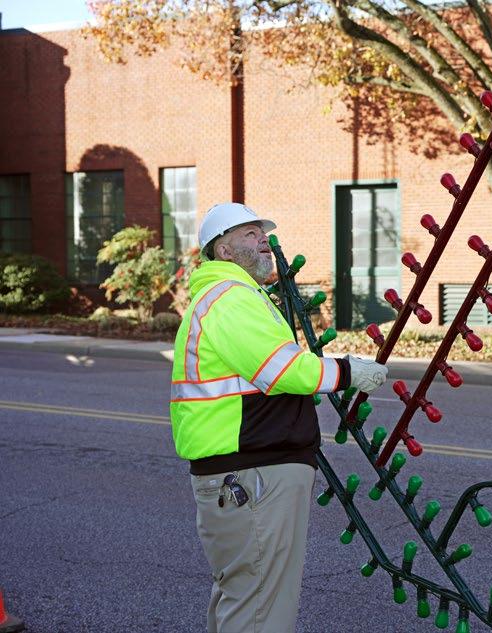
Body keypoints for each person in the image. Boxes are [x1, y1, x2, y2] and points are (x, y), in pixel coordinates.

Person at [169, 202, 388, 632]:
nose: (264, 241)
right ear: (223, 251)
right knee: (260, 610)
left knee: (246, 599)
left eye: (263, 233)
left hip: (246, 475)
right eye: (250, 234)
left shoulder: (231, 297)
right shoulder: (229, 299)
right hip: (253, 475)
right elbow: (281, 369)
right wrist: (348, 372)